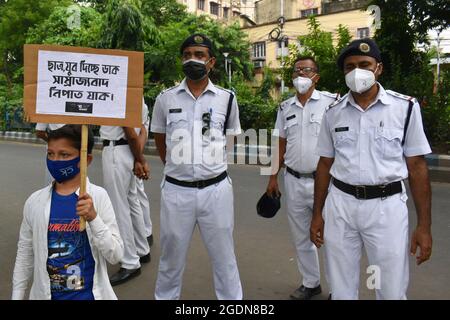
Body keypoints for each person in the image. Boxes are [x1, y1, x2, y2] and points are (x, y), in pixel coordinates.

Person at [310, 39, 433, 300]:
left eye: (364, 64)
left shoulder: (405, 108)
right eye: (350, 66)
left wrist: (424, 226)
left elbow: (417, 166)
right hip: (341, 206)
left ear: (378, 68)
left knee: (389, 288)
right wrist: (317, 214)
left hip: (386, 208)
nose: (357, 71)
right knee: (341, 288)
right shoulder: (333, 113)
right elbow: (324, 164)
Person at [151, 33, 242, 300]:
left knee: (224, 258)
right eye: (188, 54)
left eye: (200, 55)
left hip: (216, 190)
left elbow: (231, 139)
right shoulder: (166, 99)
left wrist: (209, 162)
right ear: (182, 59)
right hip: (176, 191)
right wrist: (178, 167)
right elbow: (159, 139)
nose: (193, 59)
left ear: (211, 62)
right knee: (170, 258)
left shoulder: (226, 99)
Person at [12, 125, 124, 300]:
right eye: (50, 154)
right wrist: (17, 295)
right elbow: (25, 253)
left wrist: (93, 218)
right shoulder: (35, 202)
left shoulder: (98, 197)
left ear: (85, 159)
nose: (55, 160)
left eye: (64, 155)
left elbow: (115, 255)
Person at [266, 57, 338, 300]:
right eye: (296, 71)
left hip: (325, 183)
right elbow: (280, 143)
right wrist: (272, 177)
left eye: (306, 70)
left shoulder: (331, 103)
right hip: (294, 180)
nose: (300, 75)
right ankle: (311, 283)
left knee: (332, 237)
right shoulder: (285, 108)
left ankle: (338, 288)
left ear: (316, 75)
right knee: (301, 236)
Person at [100, 101, 151, 286]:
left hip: (116, 151)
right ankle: (142, 249)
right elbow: (143, 131)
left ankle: (130, 262)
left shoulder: (119, 94)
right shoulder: (139, 97)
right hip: (129, 151)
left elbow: (129, 130)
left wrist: (140, 159)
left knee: (118, 208)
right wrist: (137, 157)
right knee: (132, 202)